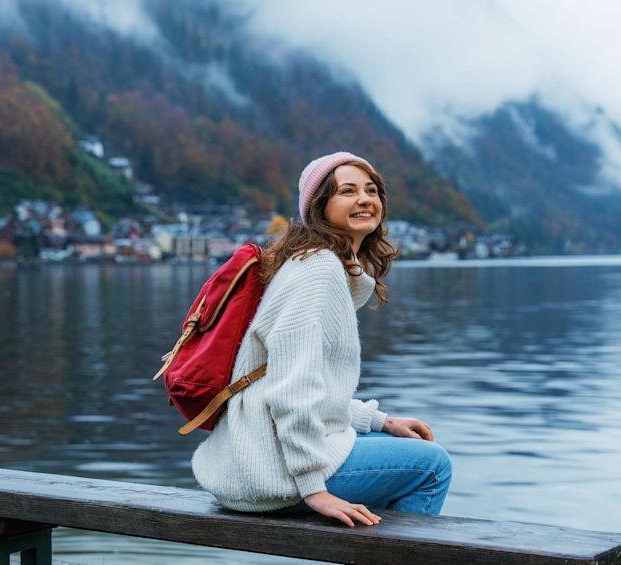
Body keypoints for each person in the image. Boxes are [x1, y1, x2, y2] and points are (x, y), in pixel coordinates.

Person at [192, 151, 452, 527]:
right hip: (268, 474)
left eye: (372, 190)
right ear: (320, 207)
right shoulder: (319, 271)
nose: (364, 199)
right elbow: (291, 391)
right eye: (347, 191)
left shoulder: (311, 261)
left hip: (254, 460)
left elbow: (314, 390)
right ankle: (389, 552)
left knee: (405, 448)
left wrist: (380, 421)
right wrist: (314, 490)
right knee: (432, 466)